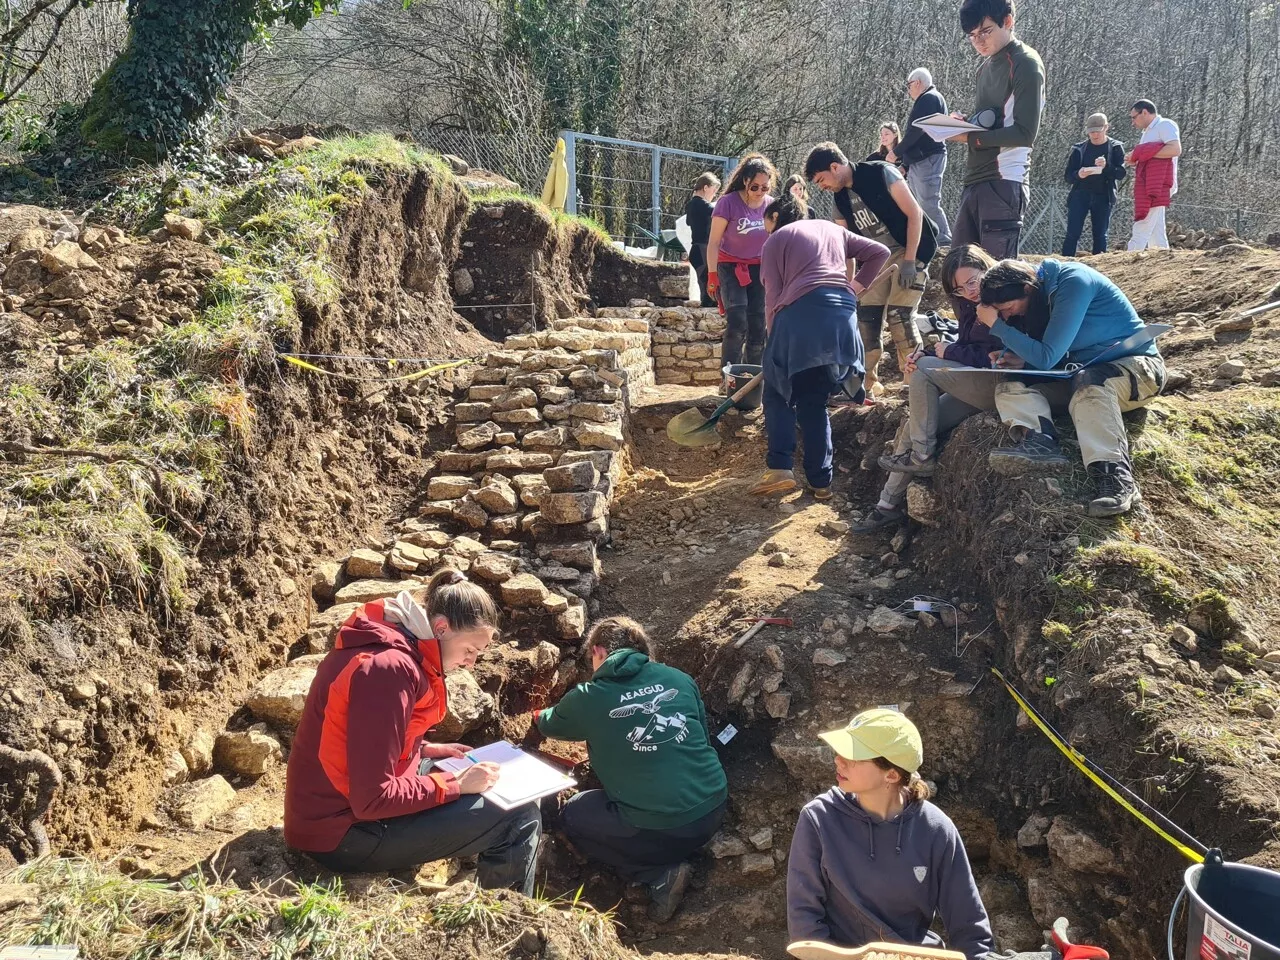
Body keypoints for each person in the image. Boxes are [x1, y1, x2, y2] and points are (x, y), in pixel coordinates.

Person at [284, 571, 541, 894]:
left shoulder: (396, 645)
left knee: (485, 781)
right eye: (470, 650)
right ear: (441, 628)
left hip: (339, 809)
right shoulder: (387, 669)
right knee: (519, 816)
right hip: (340, 833)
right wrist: (455, 784)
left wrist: (425, 751)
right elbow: (373, 798)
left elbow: (361, 744)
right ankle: (509, 929)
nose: (471, 662)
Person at [536, 617, 727, 923]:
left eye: (590, 660)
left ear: (598, 651)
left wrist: (537, 714)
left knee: (574, 812)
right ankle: (673, 850)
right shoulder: (678, 678)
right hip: (712, 807)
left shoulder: (589, 697)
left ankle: (657, 874)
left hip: (661, 827)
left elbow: (549, 723)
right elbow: (702, 738)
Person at [786, 709, 995, 960]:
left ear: (892, 774)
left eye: (854, 756)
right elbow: (805, 925)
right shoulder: (818, 820)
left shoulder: (937, 829)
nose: (839, 760)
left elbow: (970, 928)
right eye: (840, 752)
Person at [977, 259, 1166, 517]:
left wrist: (997, 326)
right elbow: (1053, 357)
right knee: (1011, 385)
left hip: (1137, 369)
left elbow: (1047, 357)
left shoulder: (1073, 282)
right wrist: (1022, 361)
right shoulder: (1044, 293)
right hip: (1079, 373)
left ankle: (1115, 478)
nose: (1009, 316)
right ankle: (1039, 441)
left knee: (1091, 382)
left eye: (1008, 308)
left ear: (1027, 289)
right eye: (1002, 315)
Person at [752, 175, 891, 499]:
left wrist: (776, 350)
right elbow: (880, 251)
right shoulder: (832, 229)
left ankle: (780, 468)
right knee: (813, 403)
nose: (765, 229)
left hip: (798, 319)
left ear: (775, 217)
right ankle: (821, 482)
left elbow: (773, 298)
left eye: (765, 222)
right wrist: (854, 288)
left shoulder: (776, 239)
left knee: (777, 393)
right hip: (842, 321)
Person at [853, 244, 1002, 533]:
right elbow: (966, 346)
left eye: (973, 281)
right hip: (973, 383)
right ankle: (887, 505)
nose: (969, 291)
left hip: (997, 384)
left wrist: (941, 355)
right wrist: (933, 351)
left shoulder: (1005, 299)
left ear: (987, 269)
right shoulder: (971, 304)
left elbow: (999, 357)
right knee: (917, 422)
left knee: (922, 374)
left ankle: (922, 458)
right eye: (959, 289)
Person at [804, 142, 939, 399]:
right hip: (876, 259)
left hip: (908, 248)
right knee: (866, 319)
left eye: (822, 179)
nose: (822, 186)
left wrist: (910, 260)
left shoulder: (881, 172)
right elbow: (848, 247)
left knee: (900, 317)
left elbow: (914, 214)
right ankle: (864, 385)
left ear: (835, 167)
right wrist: (851, 285)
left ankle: (916, 382)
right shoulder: (840, 200)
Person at [948, 0, 1045, 259]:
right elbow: (993, 120)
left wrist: (970, 137)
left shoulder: (1026, 62)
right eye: (971, 35)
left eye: (985, 31)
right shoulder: (984, 68)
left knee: (996, 280)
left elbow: (1024, 134)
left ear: (1008, 21)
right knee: (957, 270)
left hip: (1004, 181)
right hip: (974, 180)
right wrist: (962, 122)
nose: (978, 41)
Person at [707, 153, 776, 367]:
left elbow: (777, 241)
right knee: (737, 322)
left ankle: (751, 376)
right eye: (755, 187)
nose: (759, 192)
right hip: (730, 267)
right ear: (745, 181)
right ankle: (729, 375)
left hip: (760, 270)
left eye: (765, 188)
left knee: (758, 325)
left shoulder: (771, 206)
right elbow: (713, 243)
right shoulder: (727, 203)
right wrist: (712, 275)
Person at [900, 67, 953, 246]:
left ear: (917, 83)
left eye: (909, 85)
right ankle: (930, 239)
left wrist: (897, 152)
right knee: (920, 203)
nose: (908, 90)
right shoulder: (928, 99)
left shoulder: (929, 98)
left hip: (928, 158)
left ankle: (944, 241)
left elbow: (917, 130)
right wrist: (905, 164)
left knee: (928, 201)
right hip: (920, 159)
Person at [1062, 113, 1127, 257]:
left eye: (1098, 131)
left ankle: (1100, 265)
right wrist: (1079, 174)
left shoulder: (1115, 148)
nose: (1094, 135)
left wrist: (1107, 166)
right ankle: (1065, 263)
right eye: (1091, 132)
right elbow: (1068, 176)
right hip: (1080, 194)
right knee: (1072, 233)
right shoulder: (1079, 149)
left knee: (1100, 234)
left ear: (1106, 128)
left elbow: (1121, 174)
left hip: (1104, 195)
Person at [1126, 100, 1182, 252]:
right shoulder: (1148, 132)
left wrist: (1143, 153)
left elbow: (1175, 149)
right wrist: (1136, 158)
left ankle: (1131, 255)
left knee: (1143, 223)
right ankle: (1161, 255)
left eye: (1134, 117)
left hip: (1158, 185)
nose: (1132, 122)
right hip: (1151, 182)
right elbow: (1150, 157)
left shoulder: (1165, 125)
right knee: (1157, 229)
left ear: (1144, 112)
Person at [685, 172, 720, 307]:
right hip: (703, 249)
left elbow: (688, 223)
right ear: (706, 187)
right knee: (710, 290)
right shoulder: (705, 206)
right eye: (714, 189)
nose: (714, 194)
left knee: (705, 286)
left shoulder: (691, 205)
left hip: (696, 250)